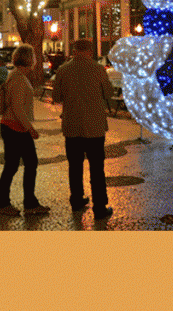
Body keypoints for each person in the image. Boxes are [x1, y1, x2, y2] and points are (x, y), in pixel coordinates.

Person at [52, 39, 115, 220]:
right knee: (97, 167)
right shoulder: (98, 69)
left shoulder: (63, 69)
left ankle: (77, 200)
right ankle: (100, 207)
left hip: (72, 125)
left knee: (75, 166)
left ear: (73, 51)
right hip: (94, 126)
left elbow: (56, 96)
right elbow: (109, 94)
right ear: (89, 51)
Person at [0, 44, 50, 216]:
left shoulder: (16, 75)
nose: (35, 60)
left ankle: (13, 202)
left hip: (11, 125)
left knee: (15, 165)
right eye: (34, 57)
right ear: (29, 59)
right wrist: (30, 129)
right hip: (15, 128)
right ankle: (20, 203)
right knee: (23, 164)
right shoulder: (19, 79)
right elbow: (18, 107)